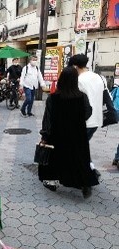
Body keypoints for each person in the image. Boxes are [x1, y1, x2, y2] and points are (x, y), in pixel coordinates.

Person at [38, 66, 98, 198]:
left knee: (54, 159)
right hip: (77, 134)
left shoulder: (53, 98)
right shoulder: (82, 97)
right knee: (79, 159)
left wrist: (45, 136)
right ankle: (84, 183)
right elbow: (88, 113)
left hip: (57, 135)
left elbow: (47, 120)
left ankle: (51, 181)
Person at [68, 54, 104, 176]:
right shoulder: (98, 77)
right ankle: (89, 169)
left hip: (84, 121)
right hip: (96, 120)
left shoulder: (79, 80)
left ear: (75, 66)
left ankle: (89, 171)